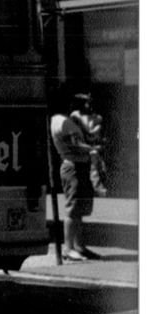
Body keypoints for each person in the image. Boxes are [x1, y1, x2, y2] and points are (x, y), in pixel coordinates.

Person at [50, 93, 102, 261]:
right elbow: (75, 144)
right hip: (73, 166)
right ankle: (69, 248)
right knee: (73, 209)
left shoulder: (62, 120)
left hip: (76, 165)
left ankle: (78, 246)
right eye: (82, 105)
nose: (84, 108)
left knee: (79, 209)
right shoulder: (63, 122)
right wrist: (92, 149)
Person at [71, 93, 108, 196]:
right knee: (92, 161)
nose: (88, 105)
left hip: (92, 147)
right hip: (80, 147)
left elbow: (95, 134)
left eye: (90, 103)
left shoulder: (97, 118)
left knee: (96, 164)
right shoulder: (75, 116)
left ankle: (98, 187)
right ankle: (97, 188)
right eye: (86, 103)